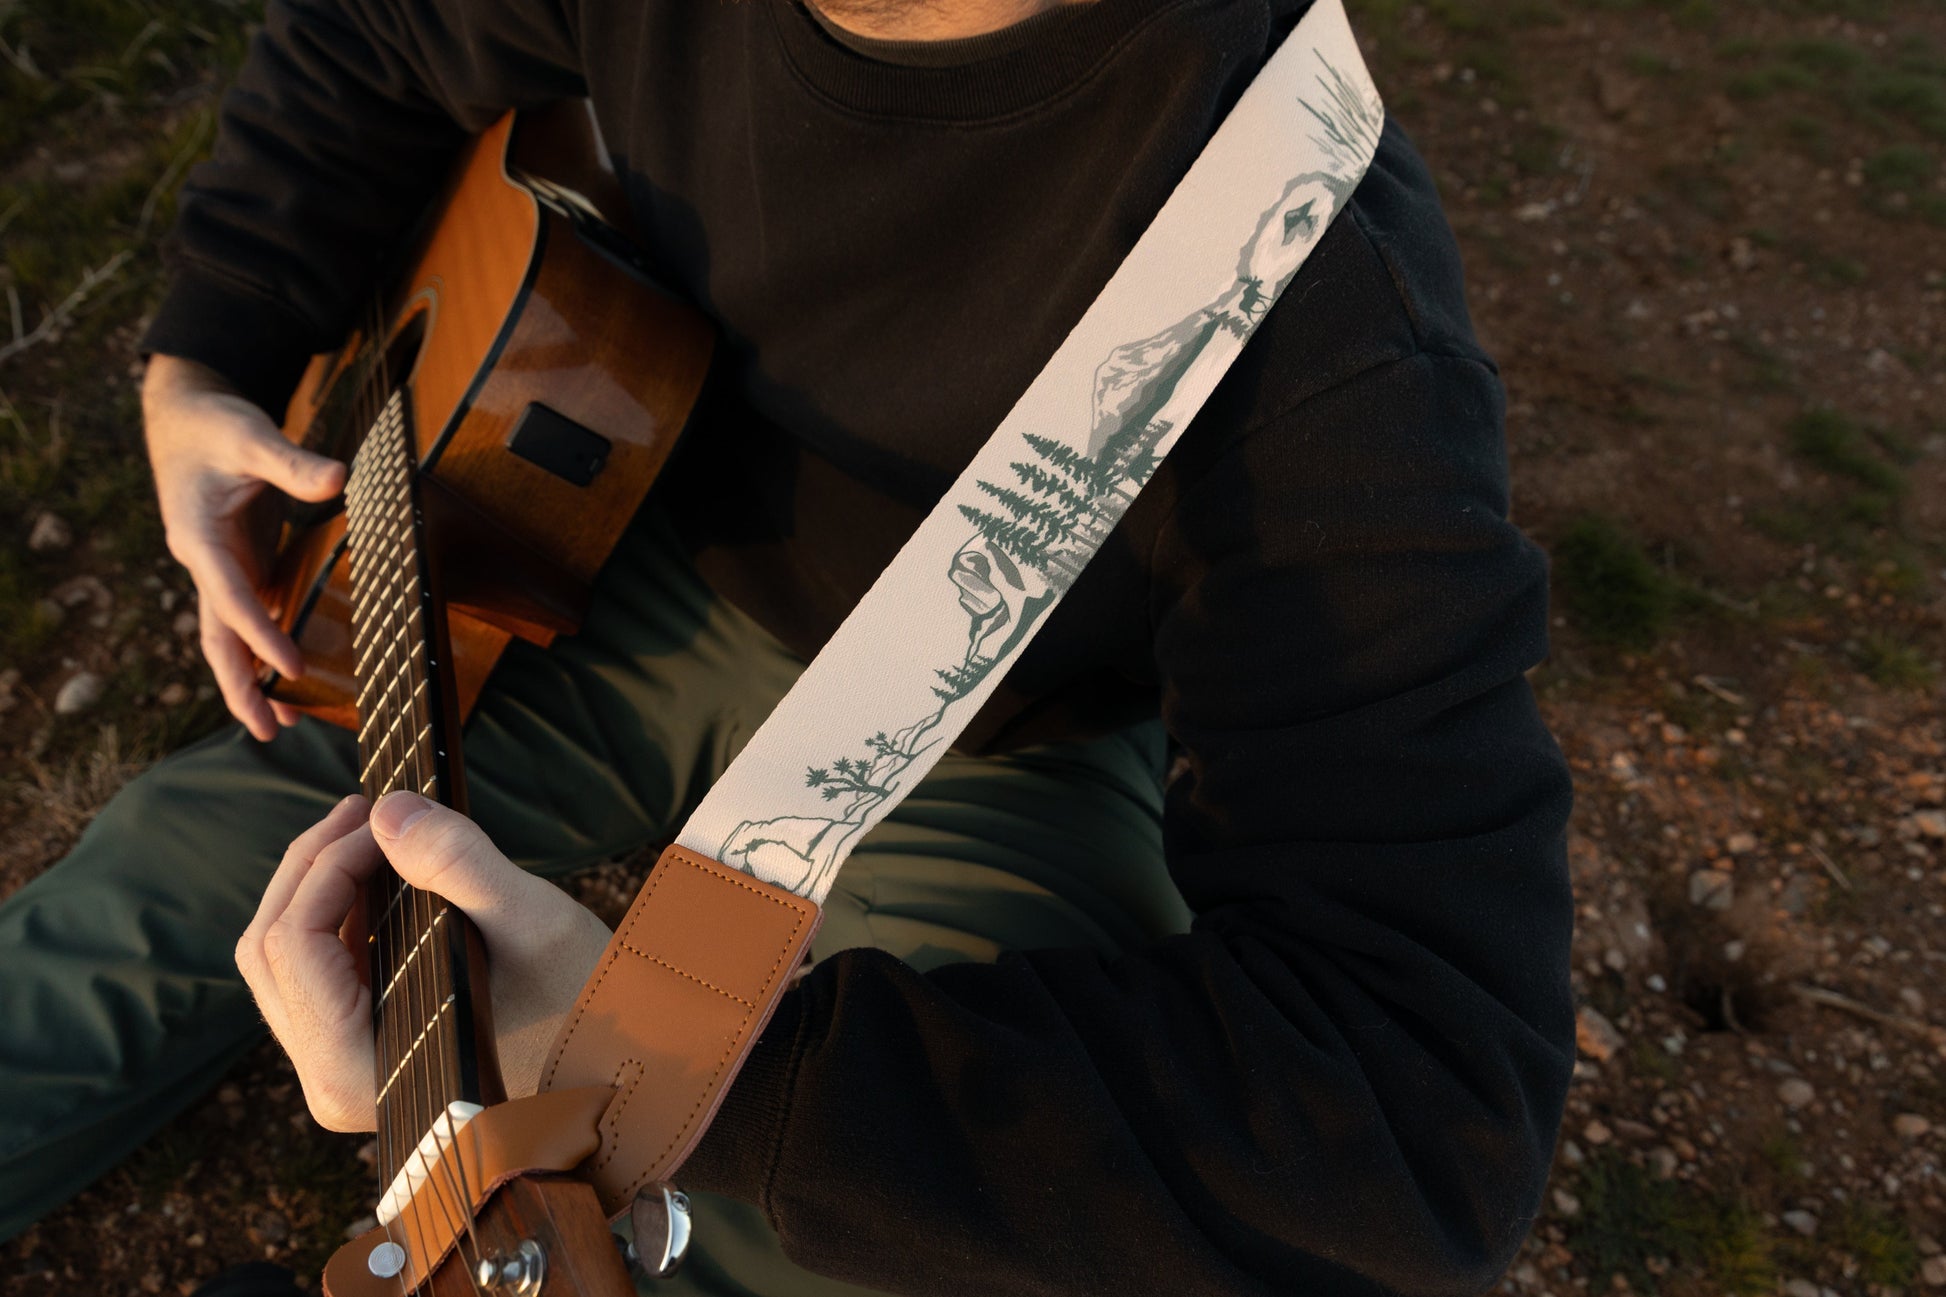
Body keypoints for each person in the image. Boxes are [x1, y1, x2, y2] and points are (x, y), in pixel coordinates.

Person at [0, 0, 1577, 1293]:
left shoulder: (1318, 305)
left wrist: (681, 1073)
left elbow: (1415, 1117)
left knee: (895, 1247)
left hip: (1005, 736)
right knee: (151, 898)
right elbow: (369, 34)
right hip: (618, 566)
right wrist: (207, 345)